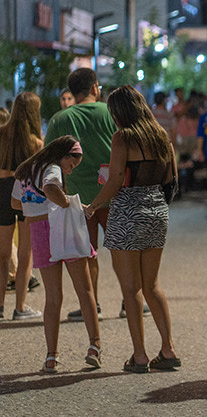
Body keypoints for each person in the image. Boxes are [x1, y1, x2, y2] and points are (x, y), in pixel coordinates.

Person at [85, 86, 180, 374]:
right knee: (152, 285)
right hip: (156, 211)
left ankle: (139, 355)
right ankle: (168, 349)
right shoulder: (161, 136)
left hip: (127, 211)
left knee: (131, 289)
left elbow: (114, 180)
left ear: (121, 112)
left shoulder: (123, 137)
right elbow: (171, 178)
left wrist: (93, 206)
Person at [12, 136, 100, 372]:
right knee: (85, 289)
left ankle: (51, 356)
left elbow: (15, 203)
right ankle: (95, 346)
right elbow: (51, 187)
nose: (69, 171)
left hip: (38, 232)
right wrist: (65, 204)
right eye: (71, 165)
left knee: (53, 297)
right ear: (63, 155)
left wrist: (36, 205)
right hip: (61, 229)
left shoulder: (26, 170)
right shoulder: (52, 168)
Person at [45, 68, 119, 321]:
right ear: (95, 88)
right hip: (113, 194)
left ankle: (91, 303)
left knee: (88, 252)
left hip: (77, 198)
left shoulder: (60, 120)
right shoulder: (111, 112)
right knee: (122, 250)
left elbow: (48, 159)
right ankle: (130, 299)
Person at [0, 92, 44, 320]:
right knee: (25, 253)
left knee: (3, 253)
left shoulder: (1, 133)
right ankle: (20, 307)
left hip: (2, 191)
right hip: (26, 194)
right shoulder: (36, 142)